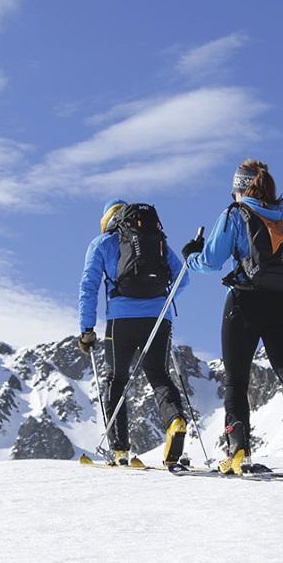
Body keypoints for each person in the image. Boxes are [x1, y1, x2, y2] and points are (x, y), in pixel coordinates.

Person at [182, 160, 283, 474]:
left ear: (239, 188)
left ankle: (238, 451)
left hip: (245, 300)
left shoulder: (235, 214)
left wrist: (191, 254)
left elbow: (211, 262)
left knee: (236, 379)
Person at [78, 198, 189, 467]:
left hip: (121, 321)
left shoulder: (102, 243)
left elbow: (89, 287)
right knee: (160, 375)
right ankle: (175, 421)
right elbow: (182, 278)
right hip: (158, 319)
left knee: (116, 380)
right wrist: (160, 304)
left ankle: (120, 451)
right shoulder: (156, 240)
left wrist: (87, 330)